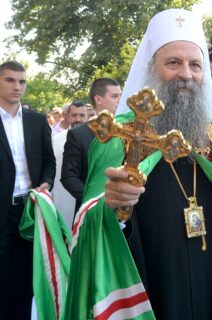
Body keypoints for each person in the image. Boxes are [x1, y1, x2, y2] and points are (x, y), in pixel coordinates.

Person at [101, 9, 212, 319]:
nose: (186, 74)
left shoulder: (207, 134)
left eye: (195, 65)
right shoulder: (123, 132)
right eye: (173, 63)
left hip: (209, 277)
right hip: (152, 277)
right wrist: (114, 209)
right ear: (152, 68)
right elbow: (92, 224)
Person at [0, 60, 56, 318]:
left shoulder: (36, 120)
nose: (17, 86)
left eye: (22, 81)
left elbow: (49, 160)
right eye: (10, 80)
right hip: (2, 212)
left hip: (30, 211)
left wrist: (46, 183)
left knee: (27, 279)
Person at [61, 78, 121, 214]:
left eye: (121, 96)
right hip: (92, 212)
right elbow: (69, 176)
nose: (120, 100)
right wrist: (94, 202)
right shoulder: (78, 134)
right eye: (114, 96)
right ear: (98, 99)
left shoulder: (128, 130)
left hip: (127, 212)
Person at [52, 101, 87, 228]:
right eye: (74, 115)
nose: (78, 119)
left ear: (87, 116)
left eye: (82, 115)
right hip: (61, 195)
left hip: (84, 195)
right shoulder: (56, 139)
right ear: (67, 116)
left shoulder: (94, 138)